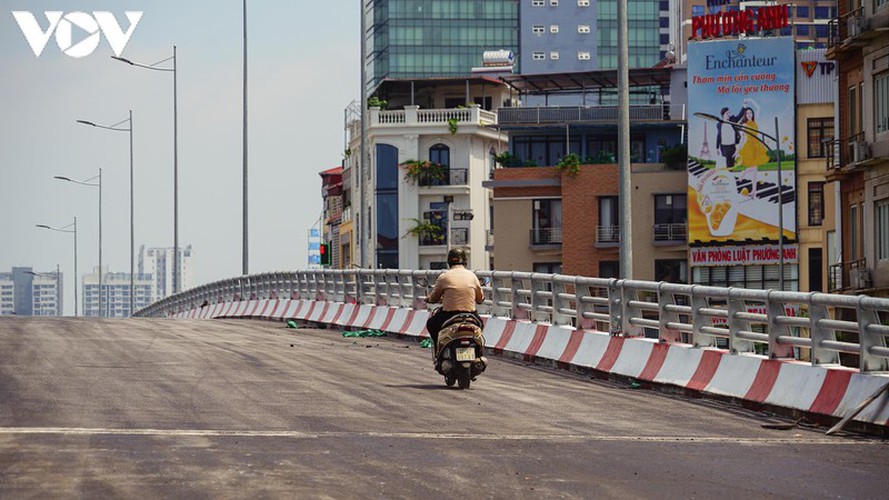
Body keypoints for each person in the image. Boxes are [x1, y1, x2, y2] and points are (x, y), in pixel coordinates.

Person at [425, 248, 484, 347]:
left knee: (431, 324)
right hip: (471, 315)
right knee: (480, 325)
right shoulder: (472, 276)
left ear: (449, 262)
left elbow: (434, 298)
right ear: (465, 261)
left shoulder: (444, 277)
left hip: (449, 316)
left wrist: (429, 299)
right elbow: (480, 299)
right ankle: (479, 351)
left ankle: (438, 349)